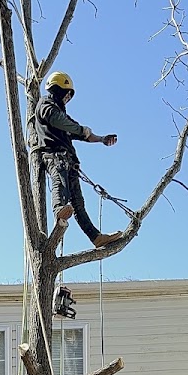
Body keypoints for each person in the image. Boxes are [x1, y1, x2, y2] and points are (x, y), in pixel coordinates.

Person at [32, 70, 122, 249]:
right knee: (59, 183)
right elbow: (62, 123)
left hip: (69, 161)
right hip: (54, 155)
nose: (67, 99)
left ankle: (96, 237)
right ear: (58, 90)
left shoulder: (61, 114)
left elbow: (80, 132)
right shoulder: (46, 104)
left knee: (78, 203)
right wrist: (81, 130)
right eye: (66, 95)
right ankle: (59, 209)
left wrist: (101, 138)